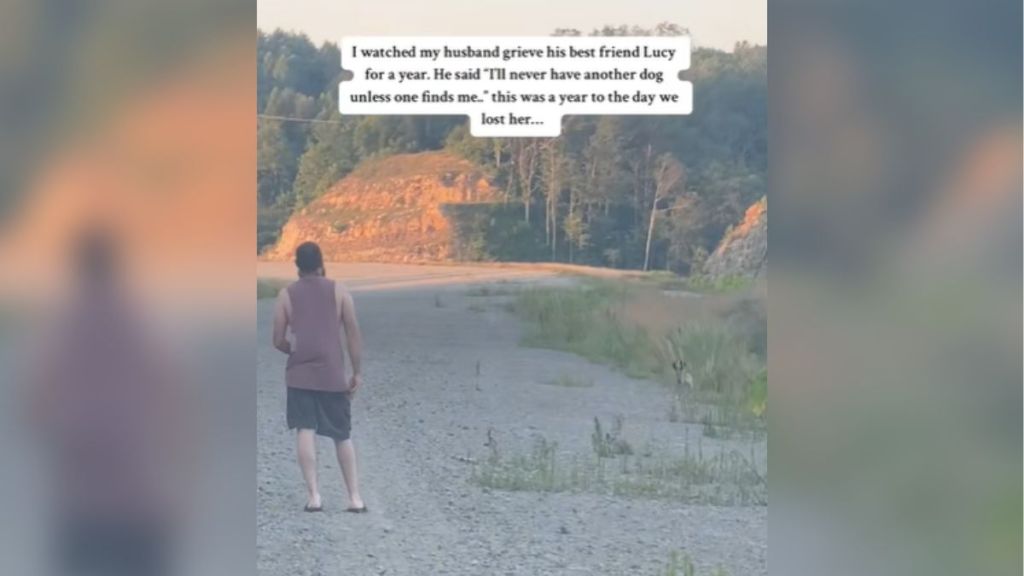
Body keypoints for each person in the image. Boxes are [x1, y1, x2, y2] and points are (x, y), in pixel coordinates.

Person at [272, 242, 366, 513]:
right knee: (342, 434)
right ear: (321, 262)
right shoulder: (339, 290)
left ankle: (314, 496)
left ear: (297, 265)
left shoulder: (285, 295)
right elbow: (352, 333)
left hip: (299, 373)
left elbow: (277, 339)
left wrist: (294, 349)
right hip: (332, 371)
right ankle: (354, 497)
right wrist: (357, 371)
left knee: (305, 429)